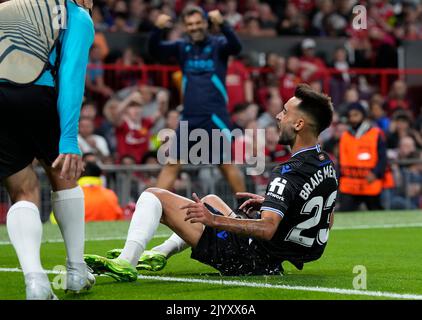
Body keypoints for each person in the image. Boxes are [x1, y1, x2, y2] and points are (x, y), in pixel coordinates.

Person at [84, 84, 338, 280]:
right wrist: (274, 203)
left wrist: (214, 220)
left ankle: (126, 263)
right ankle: (159, 252)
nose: (277, 116)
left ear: (299, 123)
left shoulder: (287, 171)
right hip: (271, 258)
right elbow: (326, 216)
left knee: (153, 195)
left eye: (284, 112)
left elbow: (268, 229)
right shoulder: (325, 164)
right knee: (211, 200)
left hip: (246, 258)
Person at [0, 0, 95, 299]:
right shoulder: (76, 15)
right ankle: (77, 271)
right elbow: (71, 76)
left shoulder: (6, 7)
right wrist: (68, 139)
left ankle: (36, 282)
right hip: (38, 93)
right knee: (63, 177)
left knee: (22, 191)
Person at [148, 5, 247, 196]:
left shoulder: (218, 44)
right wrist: (157, 30)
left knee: (225, 164)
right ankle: (150, 208)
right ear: (185, 27)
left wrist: (224, 24)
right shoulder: (181, 47)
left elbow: (236, 47)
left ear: (205, 23)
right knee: (172, 163)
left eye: (197, 22)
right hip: (189, 117)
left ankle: (248, 210)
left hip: (215, 116)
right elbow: (156, 51)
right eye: (189, 24)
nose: (194, 27)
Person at [338, 103, 390, 211]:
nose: (352, 119)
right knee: (345, 216)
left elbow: (383, 158)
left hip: (370, 182)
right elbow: (341, 160)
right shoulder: (344, 136)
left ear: (363, 116)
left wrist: (375, 173)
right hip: (349, 185)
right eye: (350, 116)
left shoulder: (375, 134)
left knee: (376, 216)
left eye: (356, 115)